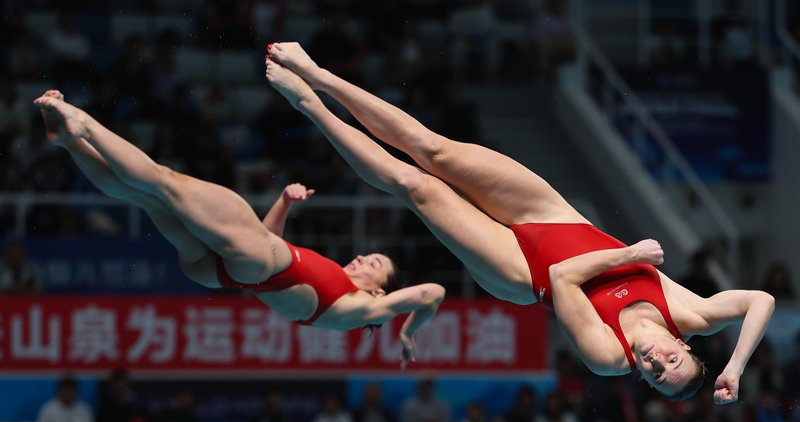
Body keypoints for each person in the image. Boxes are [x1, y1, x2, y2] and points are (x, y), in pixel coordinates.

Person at [264, 42, 775, 403]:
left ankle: (308, 104)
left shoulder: (607, 357)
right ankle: (318, 73)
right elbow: (761, 300)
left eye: (656, 377)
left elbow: (562, 277)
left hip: (521, 270)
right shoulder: (692, 314)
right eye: (672, 361)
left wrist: (628, 256)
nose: (657, 362)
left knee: (416, 186)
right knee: (433, 149)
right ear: (683, 345)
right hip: (555, 217)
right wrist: (733, 368)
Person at [33, 91, 445, 364]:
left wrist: (407, 333)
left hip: (250, 265)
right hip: (225, 271)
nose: (362, 257)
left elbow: (433, 291)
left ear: (379, 289)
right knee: (145, 196)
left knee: (162, 181)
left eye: (374, 262)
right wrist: (283, 204)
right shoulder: (335, 288)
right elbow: (266, 244)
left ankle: (85, 126)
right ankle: (69, 141)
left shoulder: (363, 309)